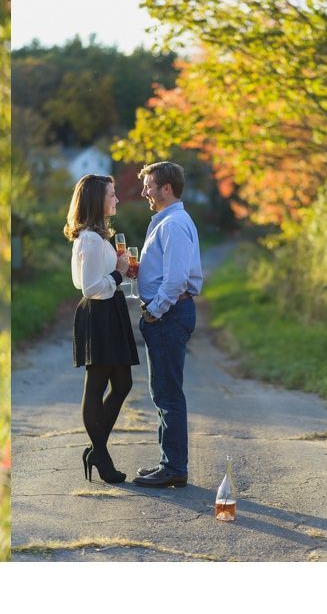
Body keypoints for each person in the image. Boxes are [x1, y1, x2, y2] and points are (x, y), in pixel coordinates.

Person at [132, 161, 203, 488]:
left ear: (166, 188)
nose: (144, 191)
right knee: (163, 391)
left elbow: (175, 280)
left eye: (149, 185)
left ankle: (174, 467)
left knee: (167, 393)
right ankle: (169, 463)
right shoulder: (168, 221)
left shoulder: (173, 224)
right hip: (168, 315)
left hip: (169, 315)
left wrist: (154, 311)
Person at [64, 174, 139, 484]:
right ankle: (101, 456)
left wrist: (119, 268)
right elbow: (90, 288)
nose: (117, 199)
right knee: (96, 385)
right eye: (111, 195)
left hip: (111, 311)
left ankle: (98, 450)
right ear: (97, 200)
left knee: (122, 384)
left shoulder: (98, 236)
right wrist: (119, 274)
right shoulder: (91, 239)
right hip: (99, 313)